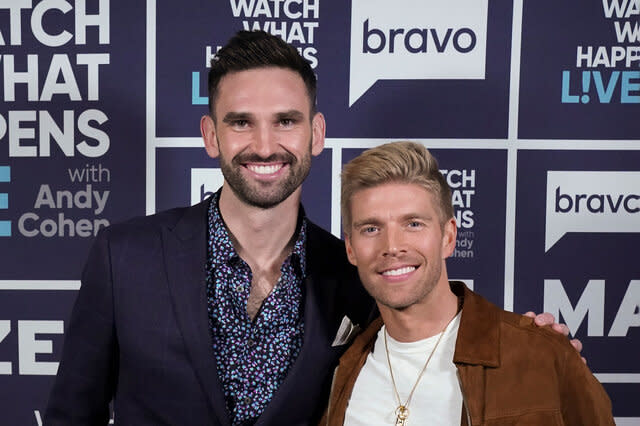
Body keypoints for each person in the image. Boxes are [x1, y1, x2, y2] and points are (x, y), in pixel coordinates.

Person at [45, 31, 577, 426]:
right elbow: (73, 414)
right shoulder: (126, 257)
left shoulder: (358, 273)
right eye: (240, 122)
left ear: (316, 133)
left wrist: (530, 347)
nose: (264, 144)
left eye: (286, 120)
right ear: (211, 136)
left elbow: (431, 341)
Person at [322, 141, 614, 425]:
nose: (392, 246)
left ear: (448, 237)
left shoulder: (543, 355)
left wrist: (550, 349)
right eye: (371, 228)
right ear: (350, 248)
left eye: (413, 224)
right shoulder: (341, 370)